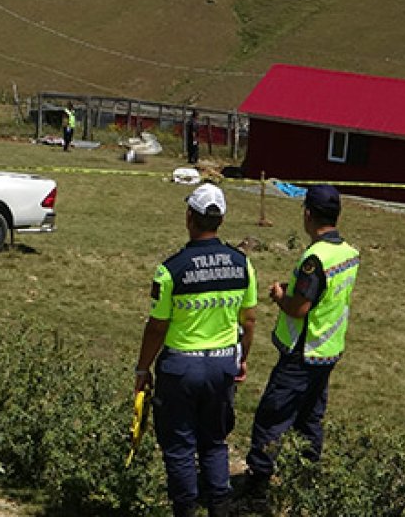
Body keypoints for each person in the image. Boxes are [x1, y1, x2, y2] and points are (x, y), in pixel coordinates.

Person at [134, 183, 257, 517]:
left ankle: (185, 510)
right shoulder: (242, 264)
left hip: (180, 368)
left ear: (190, 216)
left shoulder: (170, 269)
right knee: (214, 443)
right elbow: (249, 320)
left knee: (179, 446)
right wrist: (242, 359)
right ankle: (220, 507)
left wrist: (143, 369)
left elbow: (157, 326)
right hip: (222, 366)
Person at [244, 185, 360, 491]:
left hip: (301, 353)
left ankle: (257, 485)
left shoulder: (315, 258)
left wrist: (281, 296)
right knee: (310, 419)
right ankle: (307, 482)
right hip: (328, 350)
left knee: (272, 417)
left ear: (308, 213)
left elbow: (300, 307)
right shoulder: (348, 253)